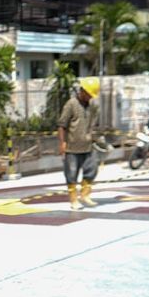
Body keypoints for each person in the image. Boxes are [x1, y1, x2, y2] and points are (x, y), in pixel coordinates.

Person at [58, 76, 102, 210]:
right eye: (88, 95)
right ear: (82, 91)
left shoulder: (93, 105)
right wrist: (62, 143)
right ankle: (73, 200)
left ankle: (85, 195)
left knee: (92, 170)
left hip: (88, 145)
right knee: (71, 174)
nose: (90, 98)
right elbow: (61, 125)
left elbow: (94, 123)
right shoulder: (71, 104)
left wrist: (95, 136)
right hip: (72, 147)